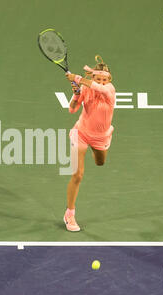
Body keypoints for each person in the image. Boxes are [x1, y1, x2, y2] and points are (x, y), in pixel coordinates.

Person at [63, 55, 116, 232]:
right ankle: (69, 214)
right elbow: (72, 109)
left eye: (104, 79)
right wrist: (77, 94)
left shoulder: (110, 91)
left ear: (109, 81)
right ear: (93, 77)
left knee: (100, 162)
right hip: (82, 134)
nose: (101, 82)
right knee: (78, 175)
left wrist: (78, 78)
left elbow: (98, 88)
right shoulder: (87, 89)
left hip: (101, 137)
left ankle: (102, 142)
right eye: (98, 79)